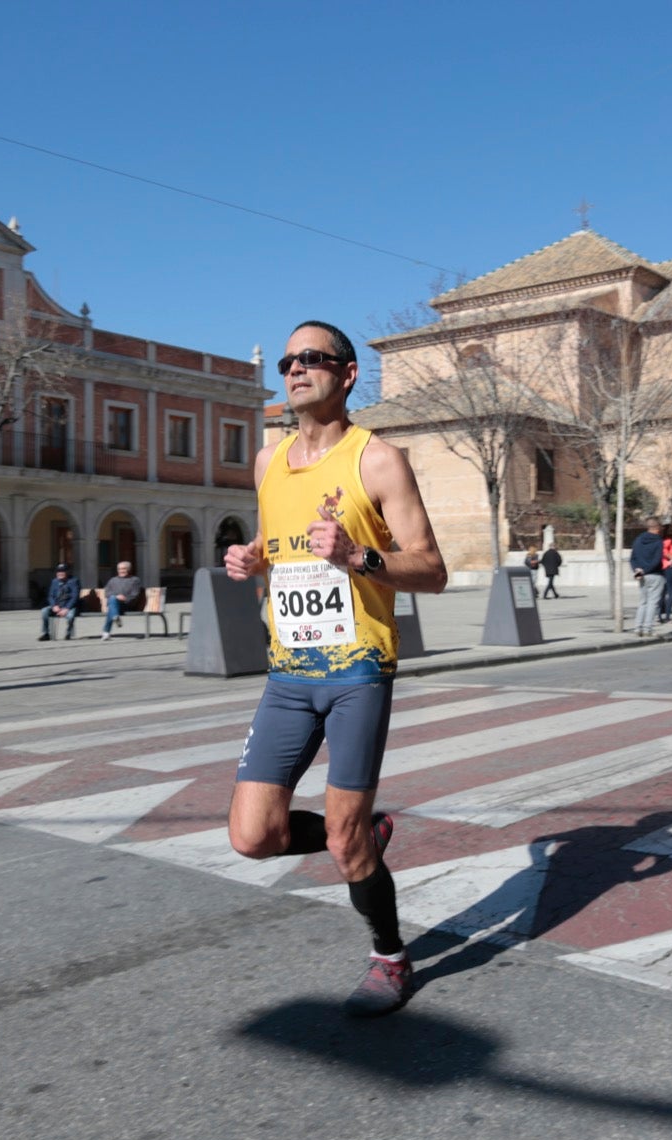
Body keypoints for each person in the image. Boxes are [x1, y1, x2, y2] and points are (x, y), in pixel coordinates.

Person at [223, 319, 447, 1017]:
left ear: (348, 374)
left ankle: (389, 953)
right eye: (288, 360)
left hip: (357, 672)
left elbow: (433, 570)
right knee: (252, 836)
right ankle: (362, 837)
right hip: (288, 674)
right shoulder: (267, 462)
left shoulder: (376, 460)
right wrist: (253, 557)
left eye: (313, 358)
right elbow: (278, 541)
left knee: (345, 838)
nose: (295, 369)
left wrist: (358, 557)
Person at [629, 517, 666, 637]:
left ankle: (637, 627)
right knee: (652, 603)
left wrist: (637, 571)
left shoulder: (638, 540)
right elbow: (656, 560)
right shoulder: (658, 541)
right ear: (656, 528)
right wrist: (646, 571)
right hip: (655, 574)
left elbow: (632, 558)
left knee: (643, 602)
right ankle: (647, 629)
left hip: (641, 575)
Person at [99, 560, 141, 640]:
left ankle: (106, 631)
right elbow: (106, 593)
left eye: (124, 569)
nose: (121, 571)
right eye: (119, 569)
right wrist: (117, 597)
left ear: (129, 569)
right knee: (112, 601)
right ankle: (114, 618)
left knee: (111, 605)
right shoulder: (113, 580)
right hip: (115, 605)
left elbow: (135, 595)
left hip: (127, 605)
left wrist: (125, 598)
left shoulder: (135, 580)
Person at [39, 563, 80, 641]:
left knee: (71, 616)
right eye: (58, 571)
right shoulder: (54, 581)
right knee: (44, 611)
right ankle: (46, 633)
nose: (60, 573)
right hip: (57, 606)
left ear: (67, 572)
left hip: (69, 607)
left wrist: (66, 608)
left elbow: (75, 597)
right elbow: (50, 596)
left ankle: (68, 633)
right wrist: (54, 605)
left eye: (63, 571)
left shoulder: (74, 581)